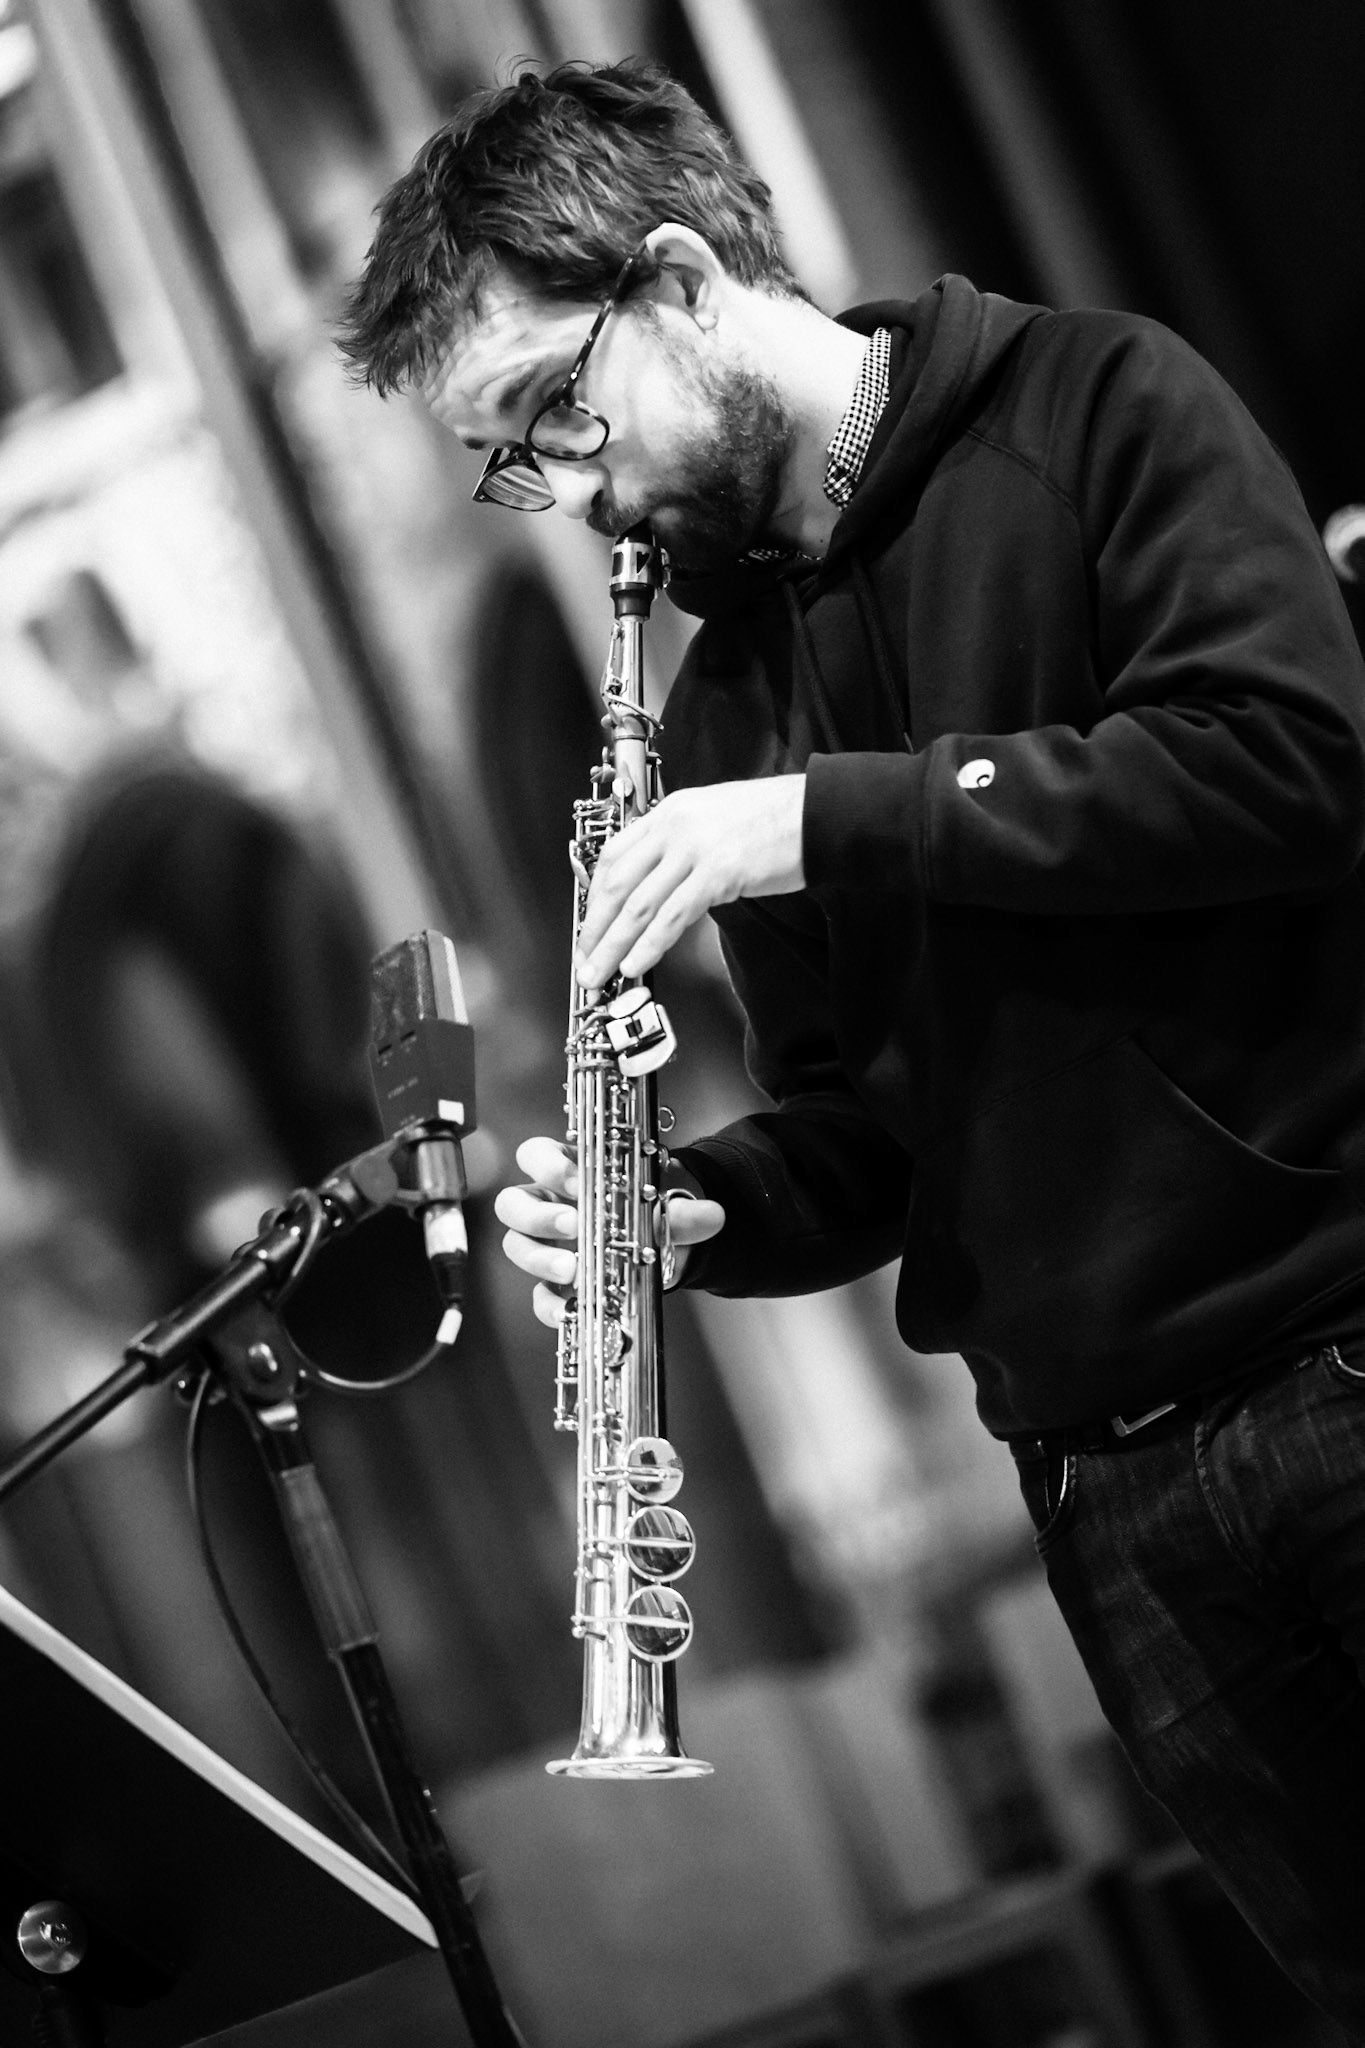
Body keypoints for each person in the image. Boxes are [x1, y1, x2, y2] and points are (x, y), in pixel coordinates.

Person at [339, 58, 1365, 2035]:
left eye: (553, 416)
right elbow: (868, 1136)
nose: (568, 500)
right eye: (511, 468)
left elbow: (1289, 764)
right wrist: (687, 1212)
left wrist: (825, 816)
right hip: (1110, 1495)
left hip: (1333, 1360)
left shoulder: (1093, 401)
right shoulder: (727, 690)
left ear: (674, 275)